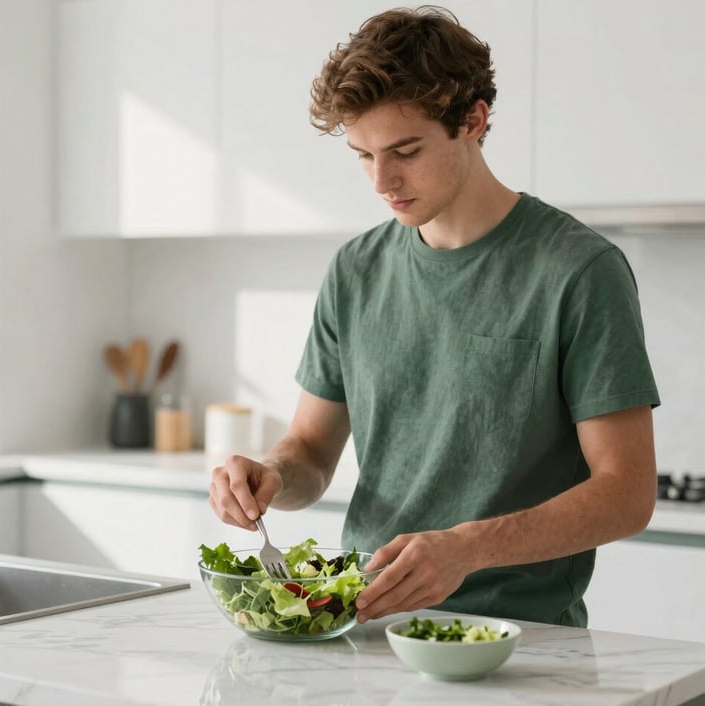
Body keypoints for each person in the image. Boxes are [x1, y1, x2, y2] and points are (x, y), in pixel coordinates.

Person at [208, 6, 660, 628]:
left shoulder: (579, 271)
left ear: (472, 121)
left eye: (405, 151)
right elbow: (311, 452)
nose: (381, 181)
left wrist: (467, 549)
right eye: (363, 155)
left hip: (519, 644)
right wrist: (271, 476)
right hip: (359, 626)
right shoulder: (355, 270)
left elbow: (627, 495)